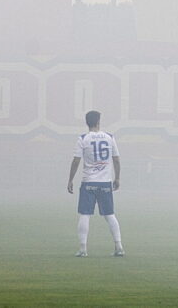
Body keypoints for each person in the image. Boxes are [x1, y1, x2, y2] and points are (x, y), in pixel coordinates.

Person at [67, 110, 124, 257]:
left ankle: (83, 248)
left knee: (85, 214)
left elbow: (76, 161)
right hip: (105, 182)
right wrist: (117, 178)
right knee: (110, 214)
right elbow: (116, 159)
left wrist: (70, 179)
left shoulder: (83, 139)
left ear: (87, 122)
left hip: (88, 182)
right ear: (98, 122)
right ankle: (119, 246)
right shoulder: (109, 137)